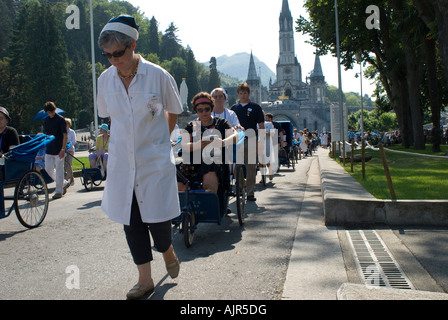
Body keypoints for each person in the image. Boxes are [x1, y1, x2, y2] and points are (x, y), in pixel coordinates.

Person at [97, 15, 182, 300]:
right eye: (107, 55)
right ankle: (144, 279)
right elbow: (111, 116)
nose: (113, 60)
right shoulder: (105, 80)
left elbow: (174, 109)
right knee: (131, 222)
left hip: (154, 162)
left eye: (118, 53)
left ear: (132, 45)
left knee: (158, 221)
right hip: (122, 164)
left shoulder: (158, 75)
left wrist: (161, 140)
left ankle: (167, 249)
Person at [178, 92, 238, 194]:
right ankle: (184, 200)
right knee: (177, 165)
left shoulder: (221, 123)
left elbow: (235, 136)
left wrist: (222, 142)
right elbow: (184, 145)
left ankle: (210, 200)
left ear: (212, 108)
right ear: (196, 111)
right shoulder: (191, 126)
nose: (204, 113)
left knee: (210, 163)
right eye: (200, 110)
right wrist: (198, 145)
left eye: (207, 109)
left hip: (216, 160)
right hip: (194, 160)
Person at [231, 83, 264, 201]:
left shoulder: (256, 107)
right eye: (241, 93)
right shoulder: (234, 108)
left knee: (251, 168)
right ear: (238, 94)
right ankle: (240, 186)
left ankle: (250, 192)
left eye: (245, 93)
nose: (243, 95)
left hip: (251, 139)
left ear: (248, 94)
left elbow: (261, 125)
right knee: (236, 167)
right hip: (237, 141)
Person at [43, 101, 68, 200]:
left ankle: (58, 191)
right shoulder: (46, 120)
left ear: (54, 110)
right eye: (48, 112)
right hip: (50, 147)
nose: (50, 113)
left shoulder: (61, 120)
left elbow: (65, 135)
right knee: (48, 168)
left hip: (59, 147)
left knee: (59, 170)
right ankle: (64, 183)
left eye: (51, 111)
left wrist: (63, 149)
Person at [65, 118, 76, 186]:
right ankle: (67, 177)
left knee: (68, 164)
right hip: (64, 150)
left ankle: (71, 177)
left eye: (66, 124)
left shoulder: (72, 132)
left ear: (69, 125)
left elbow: (74, 141)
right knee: (64, 165)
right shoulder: (62, 132)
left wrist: (69, 144)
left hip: (70, 150)